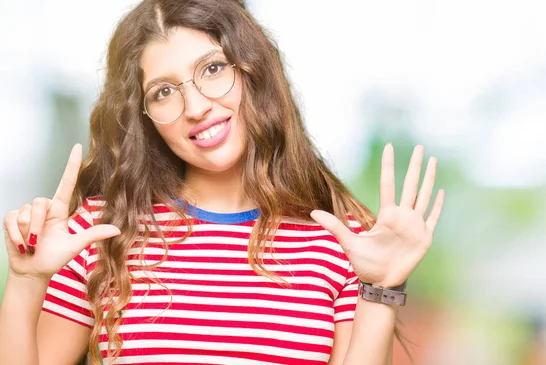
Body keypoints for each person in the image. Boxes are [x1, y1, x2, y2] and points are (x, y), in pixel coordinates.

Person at [0, 0, 445, 364]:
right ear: (145, 118)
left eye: (212, 69)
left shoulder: (340, 244)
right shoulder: (100, 233)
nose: (195, 106)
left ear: (253, 70)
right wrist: (25, 281)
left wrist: (382, 288)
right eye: (164, 91)